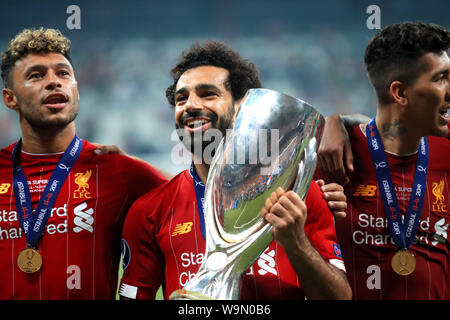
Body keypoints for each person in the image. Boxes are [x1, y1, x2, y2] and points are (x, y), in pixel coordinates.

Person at [119, 40, 352, 300]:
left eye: (207, 94)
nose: (190, 105)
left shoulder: (299, 197)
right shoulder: (150, 211)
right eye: (181, 98)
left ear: (243, 108)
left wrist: (296, 244)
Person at [0, 27, 168, 299]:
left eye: (63, 73)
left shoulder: (116, 169)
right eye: (36, 76)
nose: (54, 82)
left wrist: (136, 165)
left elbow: (197, 199)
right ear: (10, 98)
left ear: (76, 88)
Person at [316, 22, 450, 299]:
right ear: (400, 93)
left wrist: (338, 118)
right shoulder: (333, 157)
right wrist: (335, 122)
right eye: (441, 78)